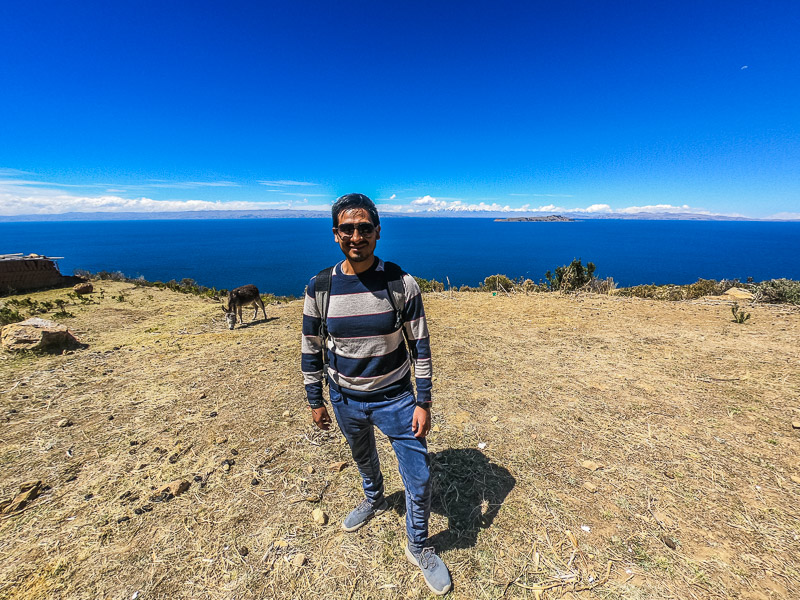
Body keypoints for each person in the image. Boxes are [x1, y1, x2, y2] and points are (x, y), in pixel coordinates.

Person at [301, 193, 452, 596]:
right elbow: (311, 346)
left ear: (378, 232)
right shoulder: (320, 287)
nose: (356, 235)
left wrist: (424, 401)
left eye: (364, 228)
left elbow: (419, 346)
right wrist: (315, 399)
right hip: (345, 399)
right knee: (362, 455)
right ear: (335, 235)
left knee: (418, 478)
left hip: (398, 399)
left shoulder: (401, 284)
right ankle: (374, 498)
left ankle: (418, 545)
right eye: (347, 229)